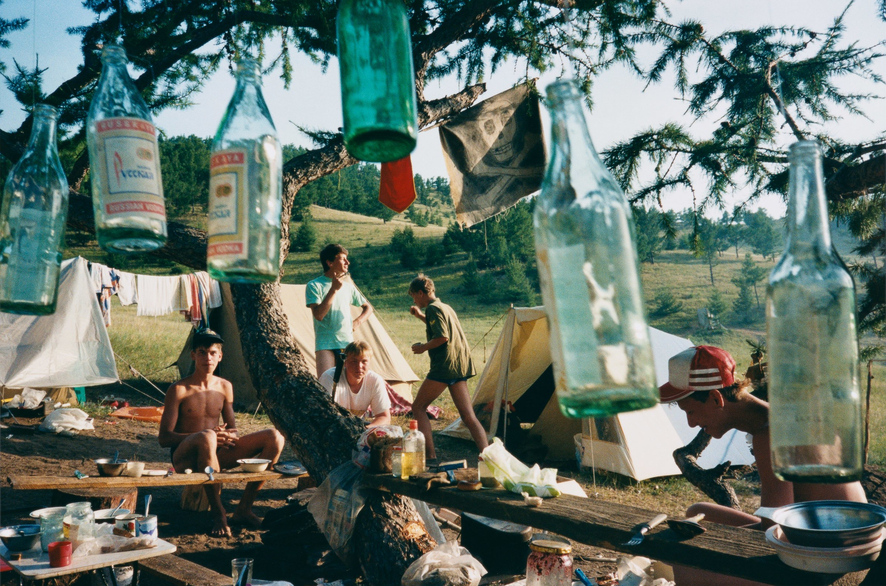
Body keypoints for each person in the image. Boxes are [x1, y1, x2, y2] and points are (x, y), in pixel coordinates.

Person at [660, 345, 866, 585]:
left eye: (692, 411)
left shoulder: (770, 436)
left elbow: (772, 531)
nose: (691, 423)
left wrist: (704, 546)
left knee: (687, 567)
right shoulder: (775, 418)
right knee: (697, 513)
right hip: (836, 540)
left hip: (830, 559)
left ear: (716, 398)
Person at [158, 328, 285, 538]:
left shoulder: (225, 386)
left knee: (275, 436)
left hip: (216, 451)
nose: (207, 358)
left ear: (220, 356)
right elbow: (164, 438)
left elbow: (232, 429)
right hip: (185, 457)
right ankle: (219, 513)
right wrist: (206, 435)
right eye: (202, 352)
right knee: (207, 436)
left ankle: (244, 508)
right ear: (193, 355)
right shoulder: (179, 389)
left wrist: (227, 437)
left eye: (212, 353)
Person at [407, 274, 488, 463]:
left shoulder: (433, 309)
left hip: (445, 367)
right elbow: (443, 329)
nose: (414, 301)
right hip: (460, 366)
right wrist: (420, 316)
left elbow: (442, 337)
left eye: (414, 296)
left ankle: (430, 456)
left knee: (418, 407)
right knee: (468, 416)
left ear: (421, 293)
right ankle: (489, 456)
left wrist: (422, 347)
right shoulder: (445, 307)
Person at [306, 244, 373, 378]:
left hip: (347, 343)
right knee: (326, 383)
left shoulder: (348, 287)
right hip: (325, 344)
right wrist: (334, 290)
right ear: (330, 263)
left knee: (348, 383)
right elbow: (319, 315)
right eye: (343, 259)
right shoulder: (314, 285)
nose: (347, 262)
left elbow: (369, 308)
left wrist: (357, 322)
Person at [318, 341, 392, 427]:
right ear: (345, 362)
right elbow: (322, 414)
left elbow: (384, 417)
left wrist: (365, 430)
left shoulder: (375, 380)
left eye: (364, 362)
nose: (359, 366)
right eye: (354, 361)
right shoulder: (330, 377)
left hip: (357, 426)